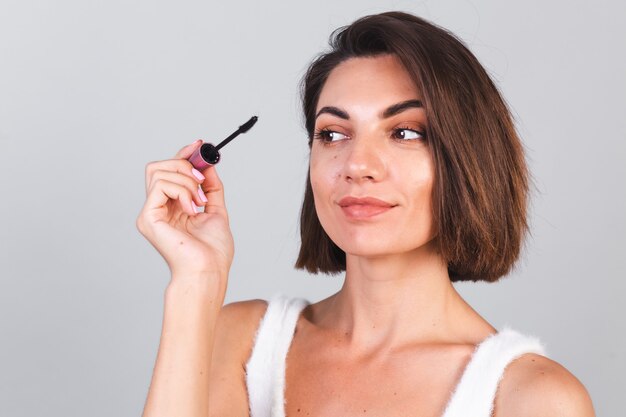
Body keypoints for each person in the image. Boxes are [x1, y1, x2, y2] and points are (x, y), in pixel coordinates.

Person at [137, 11, 595, 417]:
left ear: (468, 158)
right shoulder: (240, 343)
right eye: (333, 135)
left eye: (405, 132)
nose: (357, 165)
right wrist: (195, 283)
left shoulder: (532, 399)